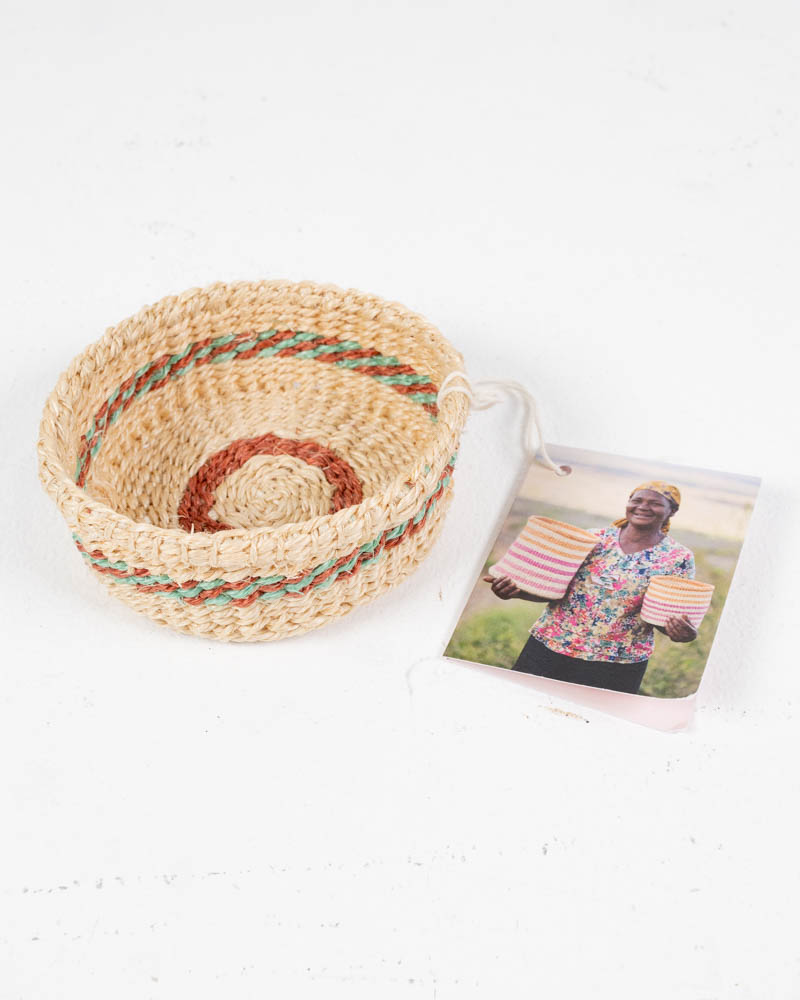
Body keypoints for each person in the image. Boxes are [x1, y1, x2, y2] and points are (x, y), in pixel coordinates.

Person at [483, 482, 698, 695]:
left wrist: (681, 632)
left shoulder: (677, 558)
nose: (643, 506)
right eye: (637, 500)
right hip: (552, 645)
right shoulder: (593, 539)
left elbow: (664, 617)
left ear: (672, 511)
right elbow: (553, 590)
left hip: (617, 663)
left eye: (655, 503)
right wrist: (516, 592)